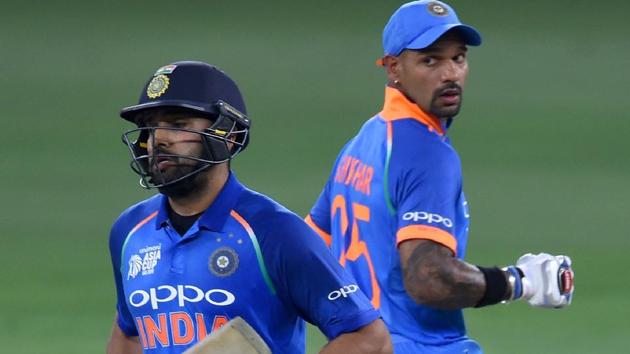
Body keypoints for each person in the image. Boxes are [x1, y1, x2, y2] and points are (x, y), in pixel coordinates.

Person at [305, 1, 575, 353]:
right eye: (430, 60)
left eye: (458, 58)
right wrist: (518, 281)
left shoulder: (359, 145)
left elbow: (306, 249)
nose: (450, 73)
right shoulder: (426, 153)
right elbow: (428, 278)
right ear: (393, 68)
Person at [106, 60, 392, 354]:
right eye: (149, 128)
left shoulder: (274, 232)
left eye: (178, 125)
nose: (159, 140)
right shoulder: (129, 232)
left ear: (227, 135)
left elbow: (370, 338)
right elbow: (129, 333)